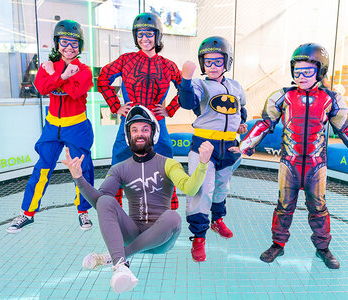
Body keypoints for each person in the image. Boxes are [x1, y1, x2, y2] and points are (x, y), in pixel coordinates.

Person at [231, 43, 348, 269]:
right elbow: (264, 123)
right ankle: (278, 245)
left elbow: (346, 128)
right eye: (297, 71)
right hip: (289, 164)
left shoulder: (332, 99)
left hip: (315, 165)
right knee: (284, 206)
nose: (301, 76)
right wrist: (245, 145)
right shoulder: (282, 97)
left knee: (318, 207)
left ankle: (323, 249)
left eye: (308, 72)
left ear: (320, 72)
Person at [62, 105, 214, 293]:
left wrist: (203, 164)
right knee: (106, 200)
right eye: (134, 130)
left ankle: (115, 258)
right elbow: (99, 203)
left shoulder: (168, 164)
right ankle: (121, 265)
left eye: (144, 129)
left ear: (153, 133)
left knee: (173, 216)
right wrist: (79, 178)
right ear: (128, 136)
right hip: (131, 233)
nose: (139, 134)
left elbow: (190, 187)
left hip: (162, 240)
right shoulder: (119, 168)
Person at [7, 20, 95, 233]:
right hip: (52, 126)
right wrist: (63, 75)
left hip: (77, 126)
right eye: (64, 42)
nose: (69, 47)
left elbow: (74, 91)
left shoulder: (84, 70)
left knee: (82, 169)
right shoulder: (50, 67)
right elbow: (41, 87)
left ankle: (83, 211)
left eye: (74, 43)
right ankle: (27, 213)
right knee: (42, 168)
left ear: (80, 46)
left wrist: (54, 76)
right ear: (57, 43)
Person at [97, 12, 182, 210]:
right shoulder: (126, 60)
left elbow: (186, 90)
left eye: (149, 34)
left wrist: (169, 109)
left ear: (157, 36)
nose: (144, 38)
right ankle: (112, 202)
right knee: (119, 156)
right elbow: (102, 80)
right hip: (130, 120)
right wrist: (116, 106)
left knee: (165, 156)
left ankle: (167, 203)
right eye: (140, 34)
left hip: (157, 121)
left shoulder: (168, 65)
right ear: (136, 37)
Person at [178, 36, 247, 262]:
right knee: (201, 191)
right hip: (204, 145)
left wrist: (242, 122)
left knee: (221, 187)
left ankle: (217, 220)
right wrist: (186, 80)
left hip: (229, 146)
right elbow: (187, 102)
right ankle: (199, 237)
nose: (213, 66)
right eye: (208, 62)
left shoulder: (235, 86)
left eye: (218, 61)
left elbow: (240, 109)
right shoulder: (199, 84)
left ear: (227, 62)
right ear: (202, 64)